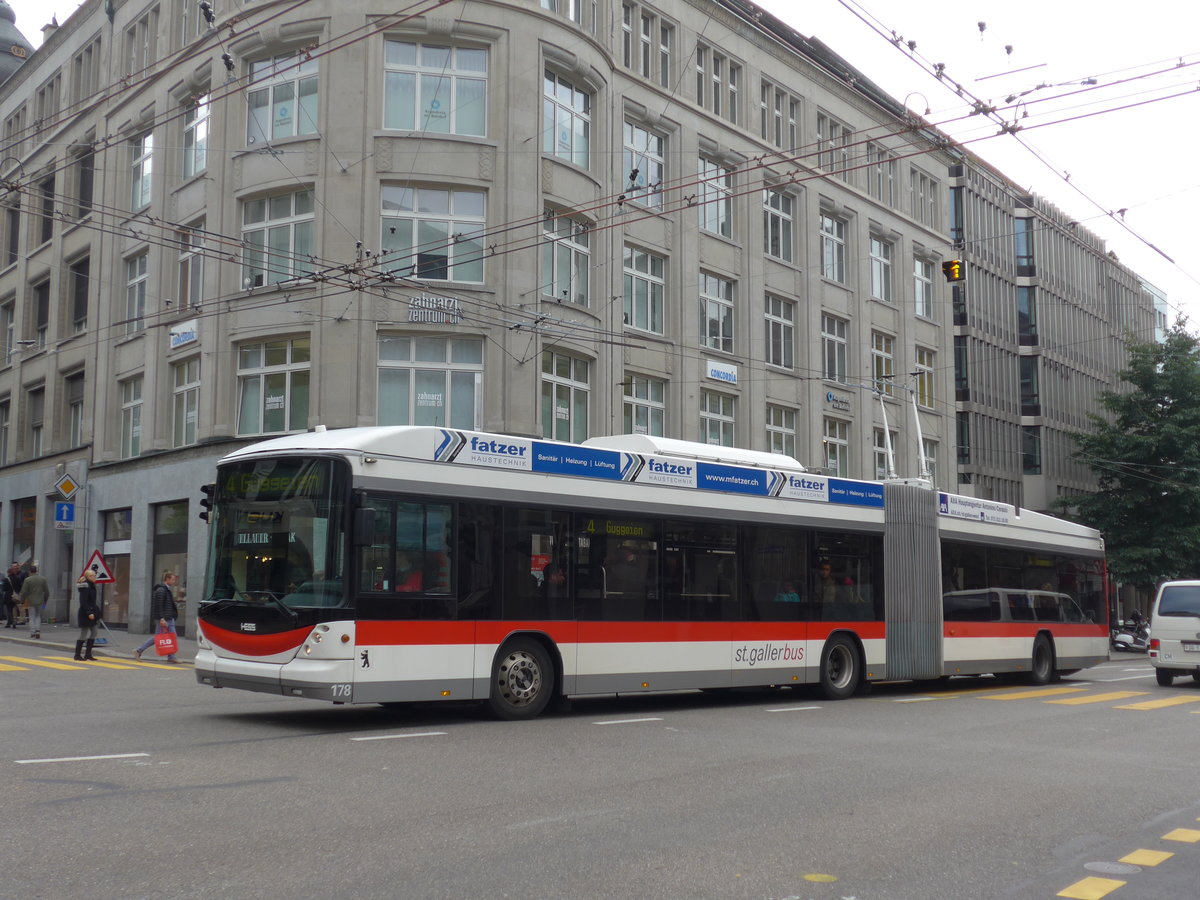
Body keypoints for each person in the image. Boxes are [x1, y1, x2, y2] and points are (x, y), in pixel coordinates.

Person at [133, 571, 179, 663]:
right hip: (164, 618)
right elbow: (159, 605)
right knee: (158, 637)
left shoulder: (167, 589)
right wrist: (162, 618)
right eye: (173, 579)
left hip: (170, 617)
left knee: (172, 637)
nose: (174, 581)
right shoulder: (161, 590)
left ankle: (171, 657)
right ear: (167, 579)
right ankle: (138, 650)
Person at [75, 569, 101, 661]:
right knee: (84, 633)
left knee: (94, 632)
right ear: (87, 577)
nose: (94, 577)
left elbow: (93, 601)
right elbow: (83, 602)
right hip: (85, 613)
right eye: (92, 576)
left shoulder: (92, 586)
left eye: (94, 575)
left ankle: (88, 654)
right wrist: (89, 612)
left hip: (92, 612)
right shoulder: (85, 587)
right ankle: (77, 655)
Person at [19, 564, 48, 639]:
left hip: (31, 601)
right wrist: (45, 600)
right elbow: (46, 591)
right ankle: (38, 630)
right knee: (38, 616)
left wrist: (21, 600)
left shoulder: (27, 580)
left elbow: (24, 592)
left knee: (32, 617)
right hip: (41, 601)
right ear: (36, 571)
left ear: (30, 571)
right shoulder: (43, 579)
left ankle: (32, 632)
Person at [0, 564, 14, 628]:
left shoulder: (6, 579)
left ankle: (11, 622)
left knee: (9, 610)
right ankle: (11, 621)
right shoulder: (17, 578)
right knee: (12, 609)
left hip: (8, 596)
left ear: (8, 572)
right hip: (15, 596)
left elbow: (4, 588)